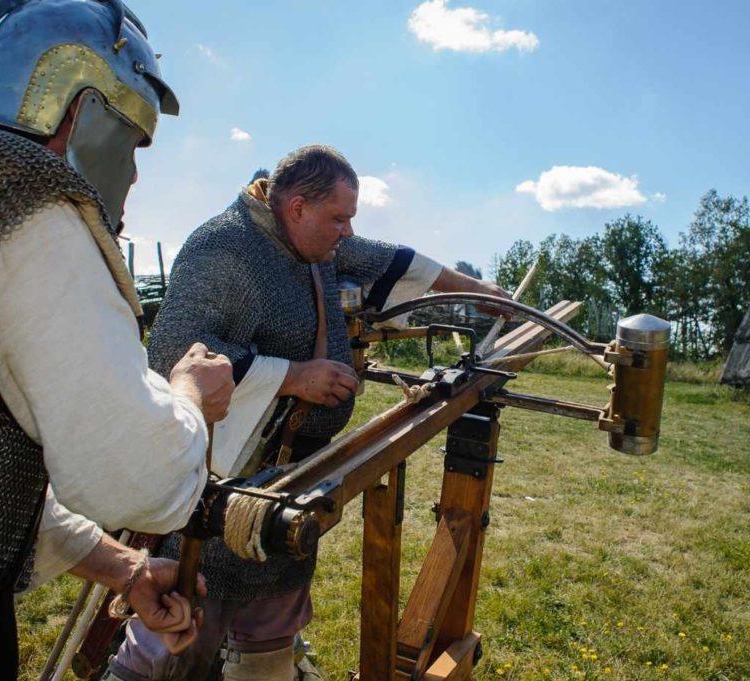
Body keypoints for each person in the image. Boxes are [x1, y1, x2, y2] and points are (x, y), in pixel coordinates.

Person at [104, 145, 511, 680]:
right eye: (338, 219)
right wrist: (294, 376)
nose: (346, 232)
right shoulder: (224, 247)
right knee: (176, 642)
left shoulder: (314, 244)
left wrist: (478, 291)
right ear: (296, 208)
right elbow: (177, 353)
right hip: (221, 487)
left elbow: (392, 260)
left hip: (290, 481)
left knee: (268, 637)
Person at [0, 1, 235, 678]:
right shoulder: (11, 194)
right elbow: (134, 472)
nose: (134, 170)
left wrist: (123, 567)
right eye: (131, 138)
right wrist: (188, 394)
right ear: (81, 109)